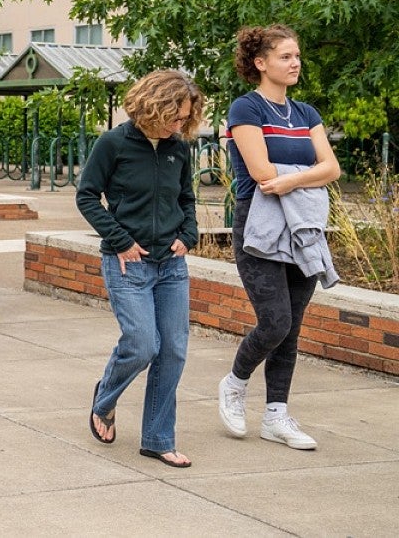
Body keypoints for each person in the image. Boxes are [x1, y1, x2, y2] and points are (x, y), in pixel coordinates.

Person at [217, 25, 341, 450]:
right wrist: (308, 178)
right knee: (275, 322)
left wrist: (291, 182)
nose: (295, 63)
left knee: (292, 330)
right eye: (286, 56)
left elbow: (333, 168)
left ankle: (276, 415)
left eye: (297, 56)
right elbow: (261, 173)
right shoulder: (246, 108)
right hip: (260, 224)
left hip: (304, 227)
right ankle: (234, 383)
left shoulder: (306, 113)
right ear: (260, 63)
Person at [76, 69, 203, 468]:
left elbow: (186, 197)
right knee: (143, 344)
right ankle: (105, 398)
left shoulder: (177, 148)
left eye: (185, 118)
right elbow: (87, 197)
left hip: (171, 264)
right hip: (127, 263)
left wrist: (190, 233)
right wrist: (121, 240)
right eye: (175, 116)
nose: (180, 124)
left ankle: (158, 438)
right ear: (154, 106)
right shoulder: (113, 143)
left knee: (174, 352)